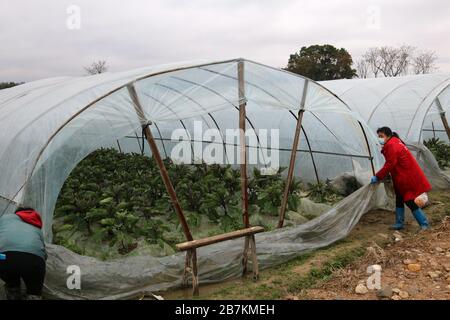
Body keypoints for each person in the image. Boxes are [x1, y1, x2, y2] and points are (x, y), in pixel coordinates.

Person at [370, 127, 431, 231]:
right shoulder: (395, 141)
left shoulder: (392, 145)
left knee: (409, 200)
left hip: (406, 176)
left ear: (388, 135)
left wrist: (378, 176)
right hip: (402, 174)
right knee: (399, 197)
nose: (379, 138)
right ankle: (399, 223)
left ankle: (424, 224)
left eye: (381, 136)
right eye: (379, 136)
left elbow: (390, 163)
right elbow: (392, 162)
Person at [0, 207, 47, 300]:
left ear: (17, 213)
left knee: (12, 287)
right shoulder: (37, 229)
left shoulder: (5, 218)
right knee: (34, 294)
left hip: (6, 258)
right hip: (35, 260)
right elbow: (44, 253)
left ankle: (13, 291)